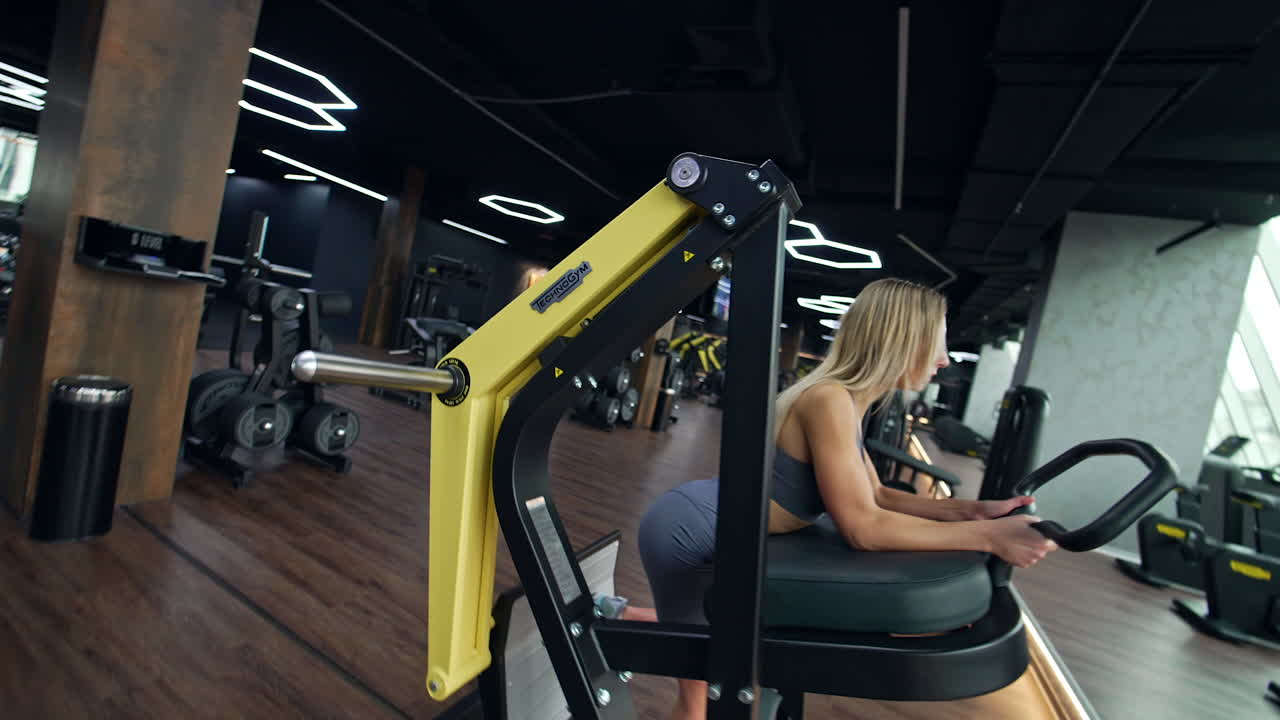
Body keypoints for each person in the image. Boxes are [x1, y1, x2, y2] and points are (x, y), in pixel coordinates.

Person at [633, 277, 1058, 720]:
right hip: (687, 533)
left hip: (704, 522)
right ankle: (613, 619)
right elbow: (862, 528)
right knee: (699, 690)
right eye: (937, 344)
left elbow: (876, 495)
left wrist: (972, 510)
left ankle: (618, 614)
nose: (944, 360)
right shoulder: (829, 399)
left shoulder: (849, 400)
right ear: (898, 341)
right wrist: (988, 537)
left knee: (695, 645)